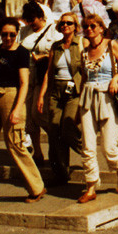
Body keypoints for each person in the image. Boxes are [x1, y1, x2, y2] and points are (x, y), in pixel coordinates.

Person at [0, 18, 45, 214]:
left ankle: (37, 186)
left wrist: (17, 109)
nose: (8, 38)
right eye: (4, 34)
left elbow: (24, 83)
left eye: (12, 34)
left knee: (15, 145)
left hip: (12, 97)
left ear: (17, 34)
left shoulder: (22, 53)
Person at [76, 14, 118, 203]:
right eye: (86, 26)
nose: (89, 29)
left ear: (101, 28)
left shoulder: (111, 45)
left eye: (93, 26)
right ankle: (91, 186)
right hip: (88, 97)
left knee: (108, 147)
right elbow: (84, 77)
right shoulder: (84, 51)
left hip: (107, 96)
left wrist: (115, 79)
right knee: (88, 146)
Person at [36, 13, 83, 186]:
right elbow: (49, 72)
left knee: (68, 126)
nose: (65, 26)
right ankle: (61, 172)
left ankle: (86, 151)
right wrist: (41, 95)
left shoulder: (81, 45)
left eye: (69, 23)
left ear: (75, 26)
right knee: (54, 129)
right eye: (62, 23)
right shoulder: (56, 47)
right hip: (56, 90)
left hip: (74, 90)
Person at [19, 1, 59, 167]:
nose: (31, 24)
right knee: (29, 119)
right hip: (28, 76)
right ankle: (38, 152)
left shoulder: (53, 30)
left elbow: (58, 52)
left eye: (33, 20)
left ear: (41, 17)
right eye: (28, 21)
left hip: (43, 77)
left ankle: (56, 145)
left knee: (38, 114)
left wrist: (42, 57)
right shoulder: (25, 31)